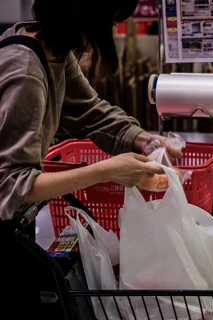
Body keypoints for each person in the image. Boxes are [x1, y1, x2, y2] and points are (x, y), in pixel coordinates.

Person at [0, 0, 181, 317]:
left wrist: (144, 139)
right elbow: (14, 186)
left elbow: (90, 112)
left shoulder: (52, 52)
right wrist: (106, 171)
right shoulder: (26, 71)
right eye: (112, 20)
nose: (114, 30)